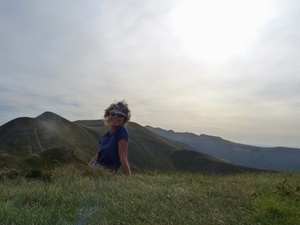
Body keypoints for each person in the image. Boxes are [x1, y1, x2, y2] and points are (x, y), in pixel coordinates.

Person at [88, 100, 131, 176]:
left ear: (124, 119)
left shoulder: (121, 131)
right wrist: (87, 168)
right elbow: (99, 154)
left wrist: (128, 178)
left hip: (104, 174)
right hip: (95, 169)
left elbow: (123, 157)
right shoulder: (105, 136)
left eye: (120, 115)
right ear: (109, 115)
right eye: (113, 113)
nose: (115, 117)